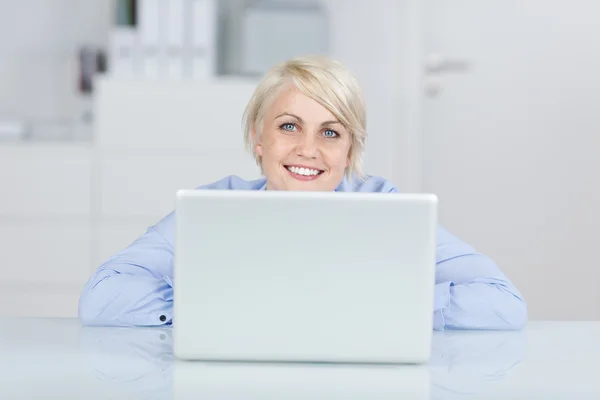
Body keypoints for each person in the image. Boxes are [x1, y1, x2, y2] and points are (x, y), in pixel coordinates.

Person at [78, 55, 527, 330]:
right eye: (289, 126)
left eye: (330, 132)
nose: (308, 150)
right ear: (258, 138)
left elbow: (503, 305)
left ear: (350, 148)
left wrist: (371, 304)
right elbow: (103, 298)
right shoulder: (217, 206)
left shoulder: (387, 208)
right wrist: (229, 302)